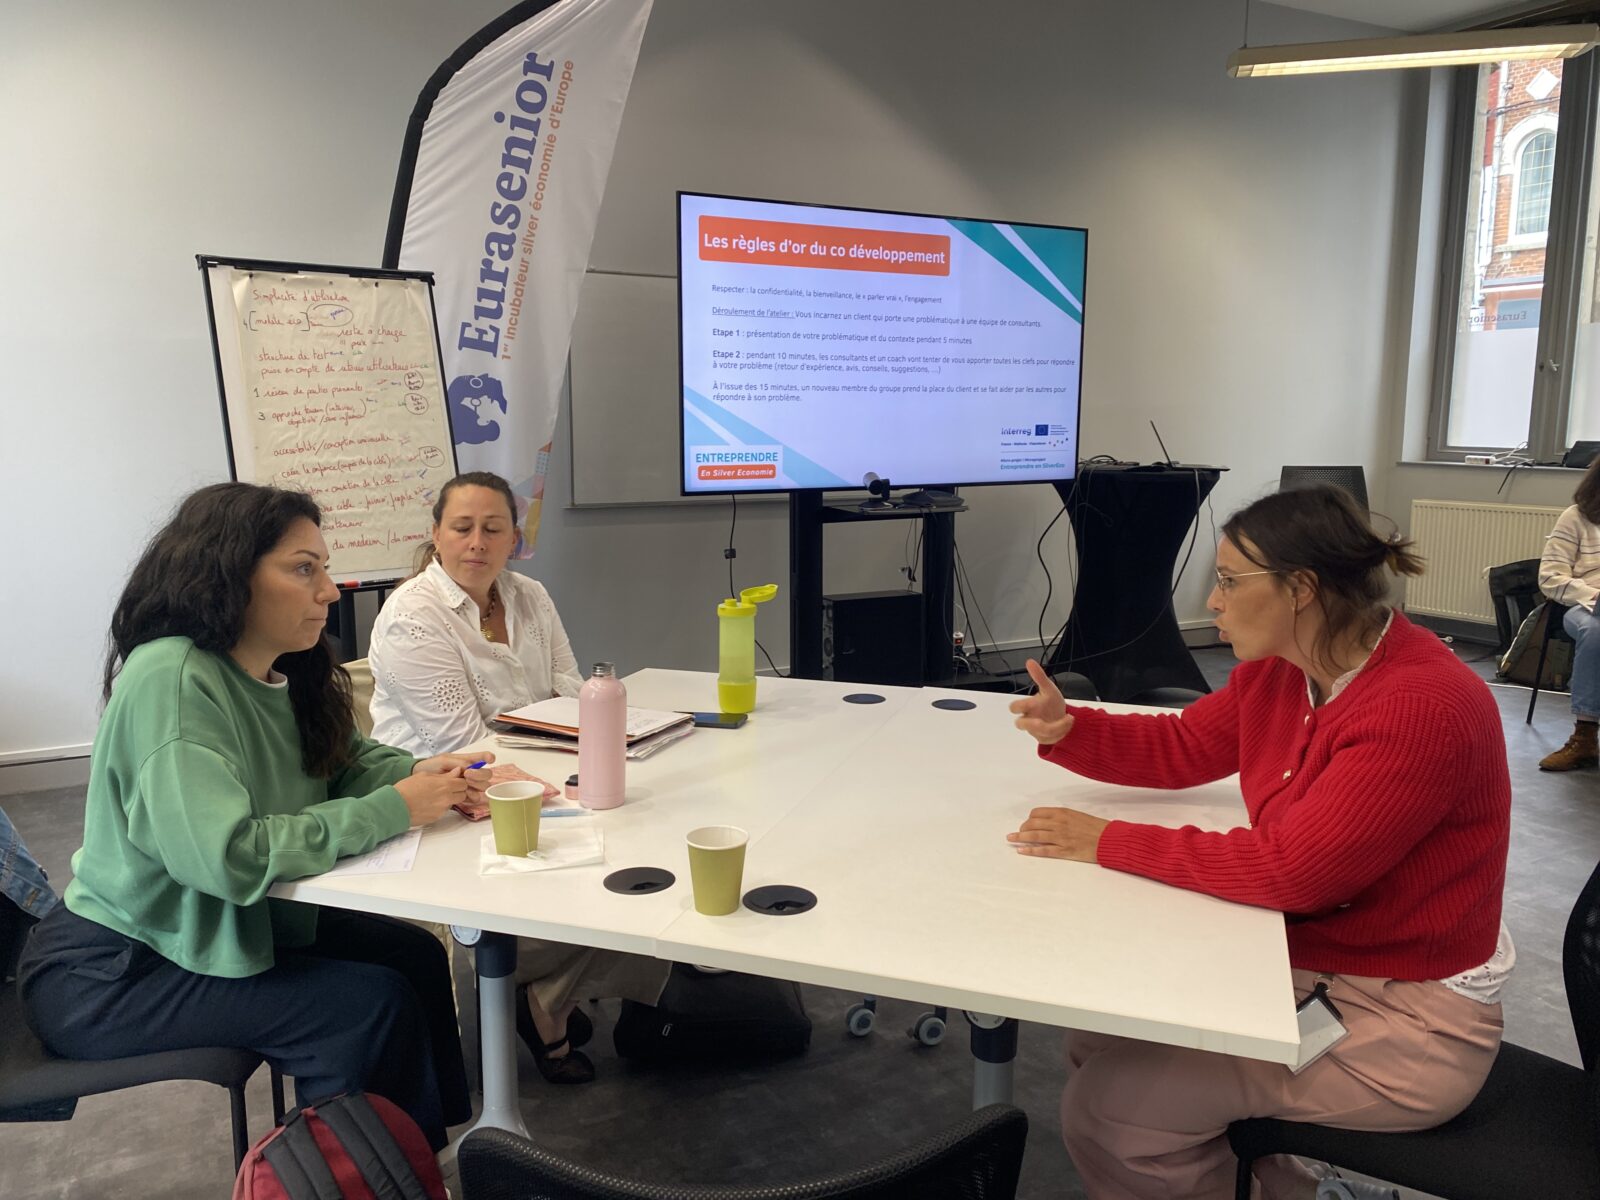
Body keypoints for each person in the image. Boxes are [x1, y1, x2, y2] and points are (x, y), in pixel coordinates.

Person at [1008, 484, 1512, 1200]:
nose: (1211, 601)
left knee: (1110, 1117)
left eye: (1228, 581)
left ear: (1300, 589)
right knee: (1101, 1036)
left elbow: (1294, 873)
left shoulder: (1421, 706)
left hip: (1403, 1024)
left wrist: (1109, 841)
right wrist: (1072, 730)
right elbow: (1185, 746)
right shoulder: (1287, 672)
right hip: (1324, 969)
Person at [17, 483, 483, 1150]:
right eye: (303, 569)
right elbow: (227, 856)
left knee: (412, 955)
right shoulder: (172, 679)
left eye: (323, 568)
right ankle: (368, 1178)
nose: (329, 591)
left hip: (210, 929)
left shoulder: (273, 668)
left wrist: (425, 774)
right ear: (228, 573)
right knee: (362, 1010)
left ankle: (418, 1160)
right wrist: (391, 810)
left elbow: (341, 761)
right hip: (113, 972)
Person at [368, 471, 668, 1084]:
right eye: (462, 527)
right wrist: (566, 759)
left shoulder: (529, 594)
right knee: (612, 860)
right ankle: (545, 999)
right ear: (436, 534)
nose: (477, 542)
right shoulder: (411, 616)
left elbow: (570, 691)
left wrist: (575, 755)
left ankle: (547, 992)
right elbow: (466, 748)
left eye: (493, 528)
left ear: (514, 539)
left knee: (651, 847)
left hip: (539, 779)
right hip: (443, 803)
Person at [1536, 453, 1600, 770]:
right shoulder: (1575, 517)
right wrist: (1594, 596)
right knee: (1596, 632)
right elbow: (1550, 578)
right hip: (1586, 605)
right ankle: (1585, 736)